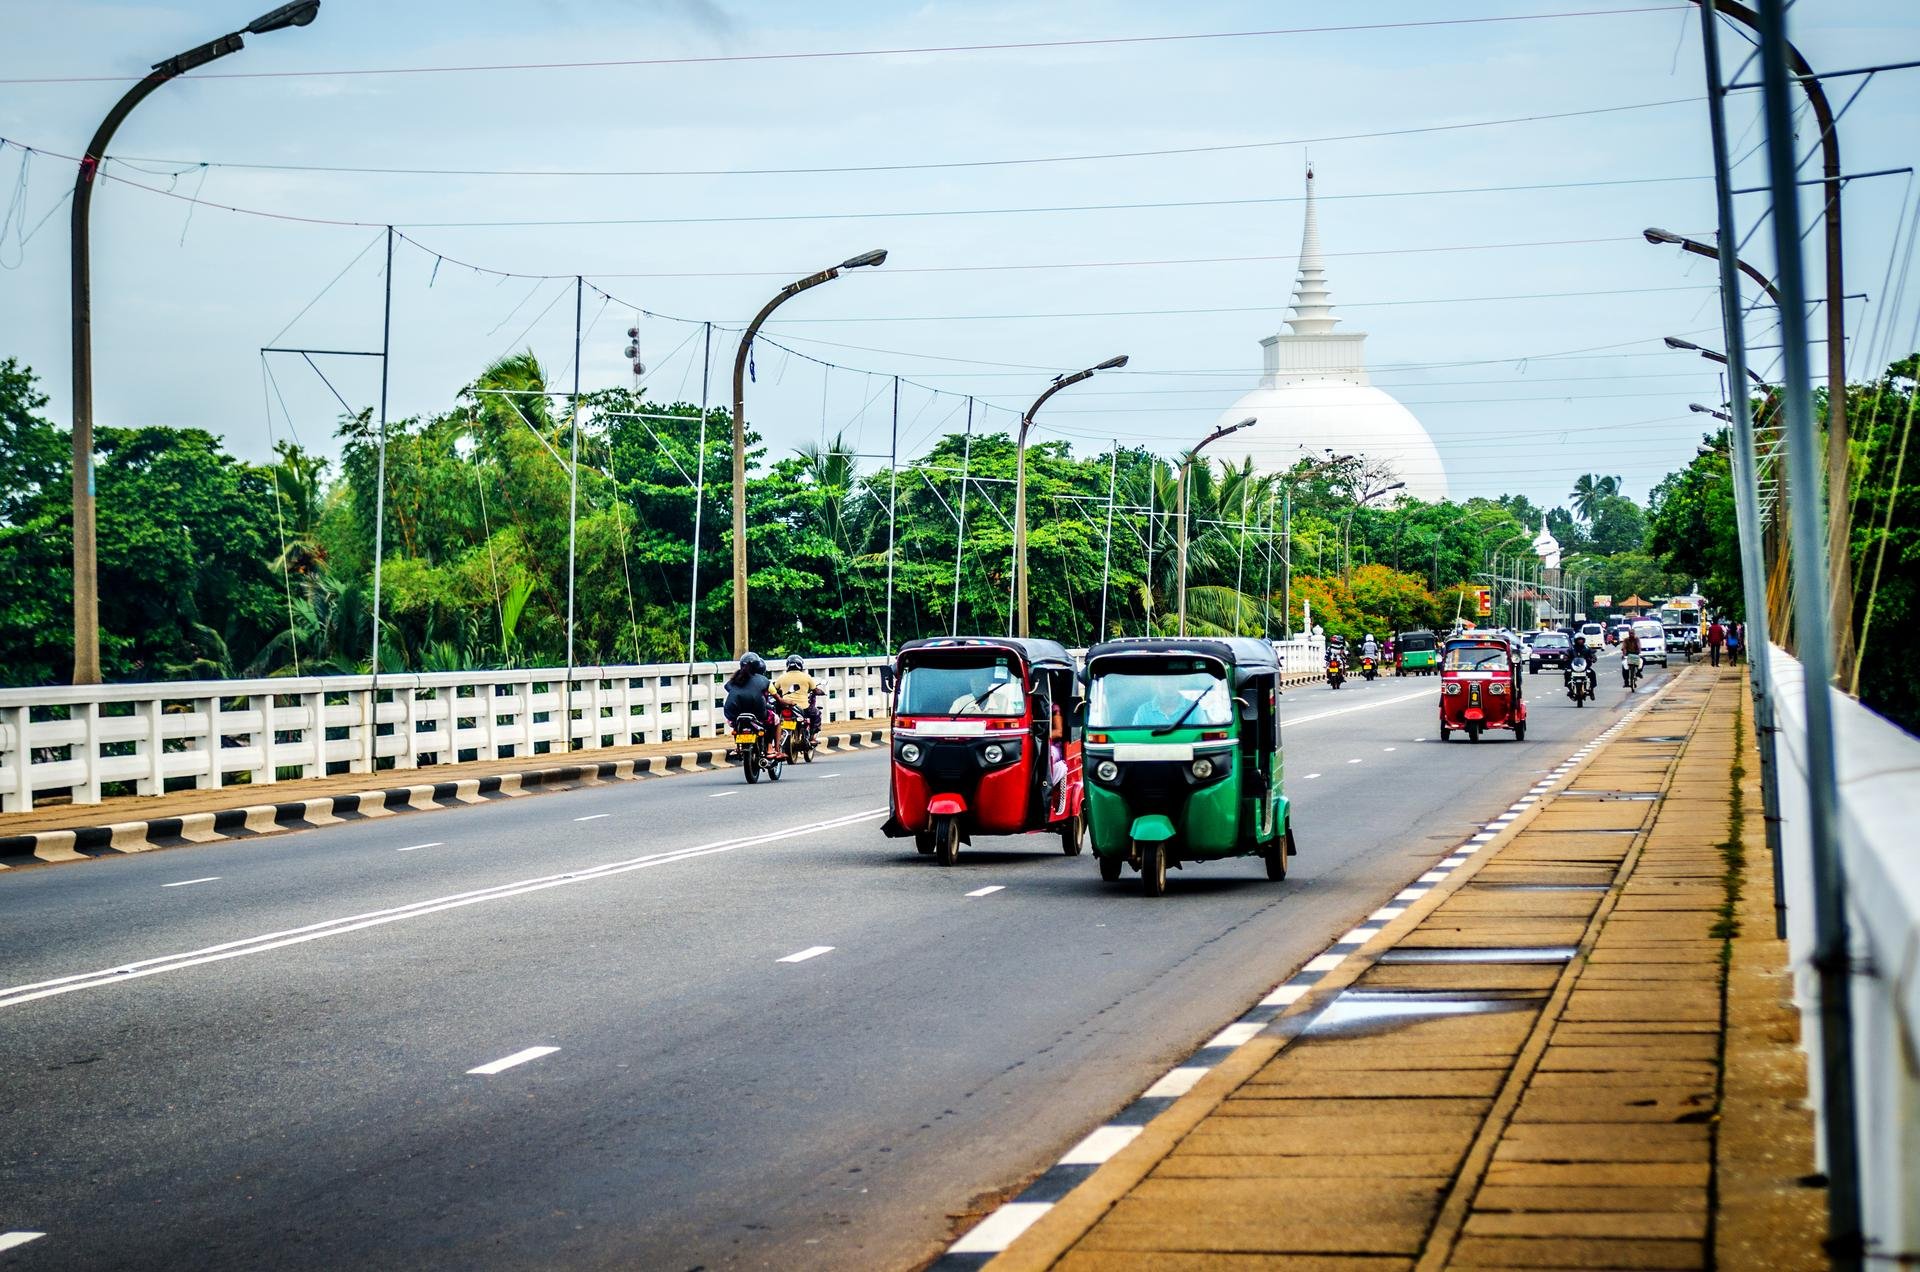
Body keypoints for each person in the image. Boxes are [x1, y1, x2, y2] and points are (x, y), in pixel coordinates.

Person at [772, 654, 822, 742]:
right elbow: (815, 690)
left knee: (777, 718)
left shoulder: (782, 677)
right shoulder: (806, 677)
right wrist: (821, 692)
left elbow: (774, 689)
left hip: (786, 706)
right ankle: (812, 737)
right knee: (817, 714)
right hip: (803, 707)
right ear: (800, 665)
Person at [723, 652, 775, 734]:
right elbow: (775, 696)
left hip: (734, 714)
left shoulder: (735, 679)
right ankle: (770, 746)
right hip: (758, 714)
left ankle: (738, 741)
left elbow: (727, 687)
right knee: (774, 719)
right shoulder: (763, 680)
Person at [1619, 626, 1643, 690]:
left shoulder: (1637, 639)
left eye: (1632, 633)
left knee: (1643, 660)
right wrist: (1624, 654)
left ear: (1634, 634)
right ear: (1628, 634)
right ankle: (1626, 681)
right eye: (1630, 633)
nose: (1631, 634)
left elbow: (1639, 646)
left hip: (1635, 654)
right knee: (1624, 668)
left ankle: (1638, 672)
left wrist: (1639, 651)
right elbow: (1624, 648)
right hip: (1628, 655)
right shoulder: (1626, 640)